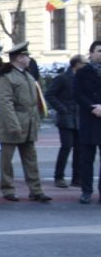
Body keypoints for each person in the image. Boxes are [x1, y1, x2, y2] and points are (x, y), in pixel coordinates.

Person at [0, 42, 51, 202]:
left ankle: (36, 190)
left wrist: (37, 120)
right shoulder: (6, 77)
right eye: (26, 56)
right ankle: (8, 189)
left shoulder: (27, 75)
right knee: (7, 160)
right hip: (13, 124)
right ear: (19, 58)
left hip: (29, 123)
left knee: (31, 159)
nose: (28, 58)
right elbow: (5, 103)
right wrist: (13, 125)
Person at [45, 55, 84, 188]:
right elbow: (49, 94)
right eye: (84, 63)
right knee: (66, 147)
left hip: (79, 118)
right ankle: (59, 177)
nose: (86, 65)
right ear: (77, 64)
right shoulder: (63, 78)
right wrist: (62, 109)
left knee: (79, 149)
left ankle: (77, 178)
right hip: (66, 118)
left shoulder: (82, 78)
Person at [75, 40, 101, 204]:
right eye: (98, 50)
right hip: (89, 119)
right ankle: (86, 191)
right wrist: (93, 107)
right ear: (91, 53)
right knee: (86, 159)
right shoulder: (82, 72)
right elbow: (77, 94)